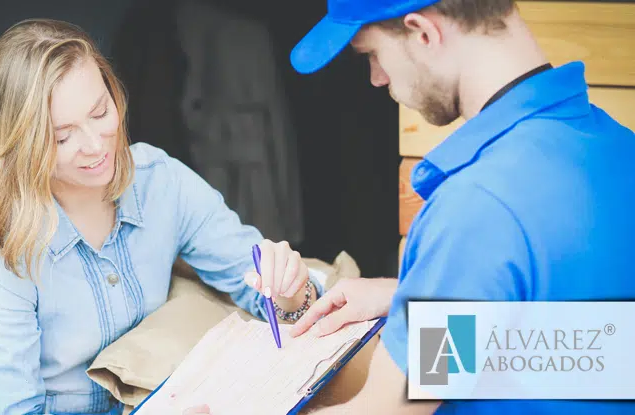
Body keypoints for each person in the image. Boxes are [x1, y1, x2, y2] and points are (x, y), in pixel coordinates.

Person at [185, 0, 635, 414]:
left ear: (423, 33)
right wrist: (411, 291)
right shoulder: (617, 147)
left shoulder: (477, 206)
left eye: (371, 54)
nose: (376, 78)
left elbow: (389, 410)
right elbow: (592, 343)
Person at [0, 18, 326, 415]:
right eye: (62, 136)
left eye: (100, 112)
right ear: (18, 144)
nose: (96, 145)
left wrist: (290, 292)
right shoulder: (3, 252)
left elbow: (257, 283)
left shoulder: (160, 182)